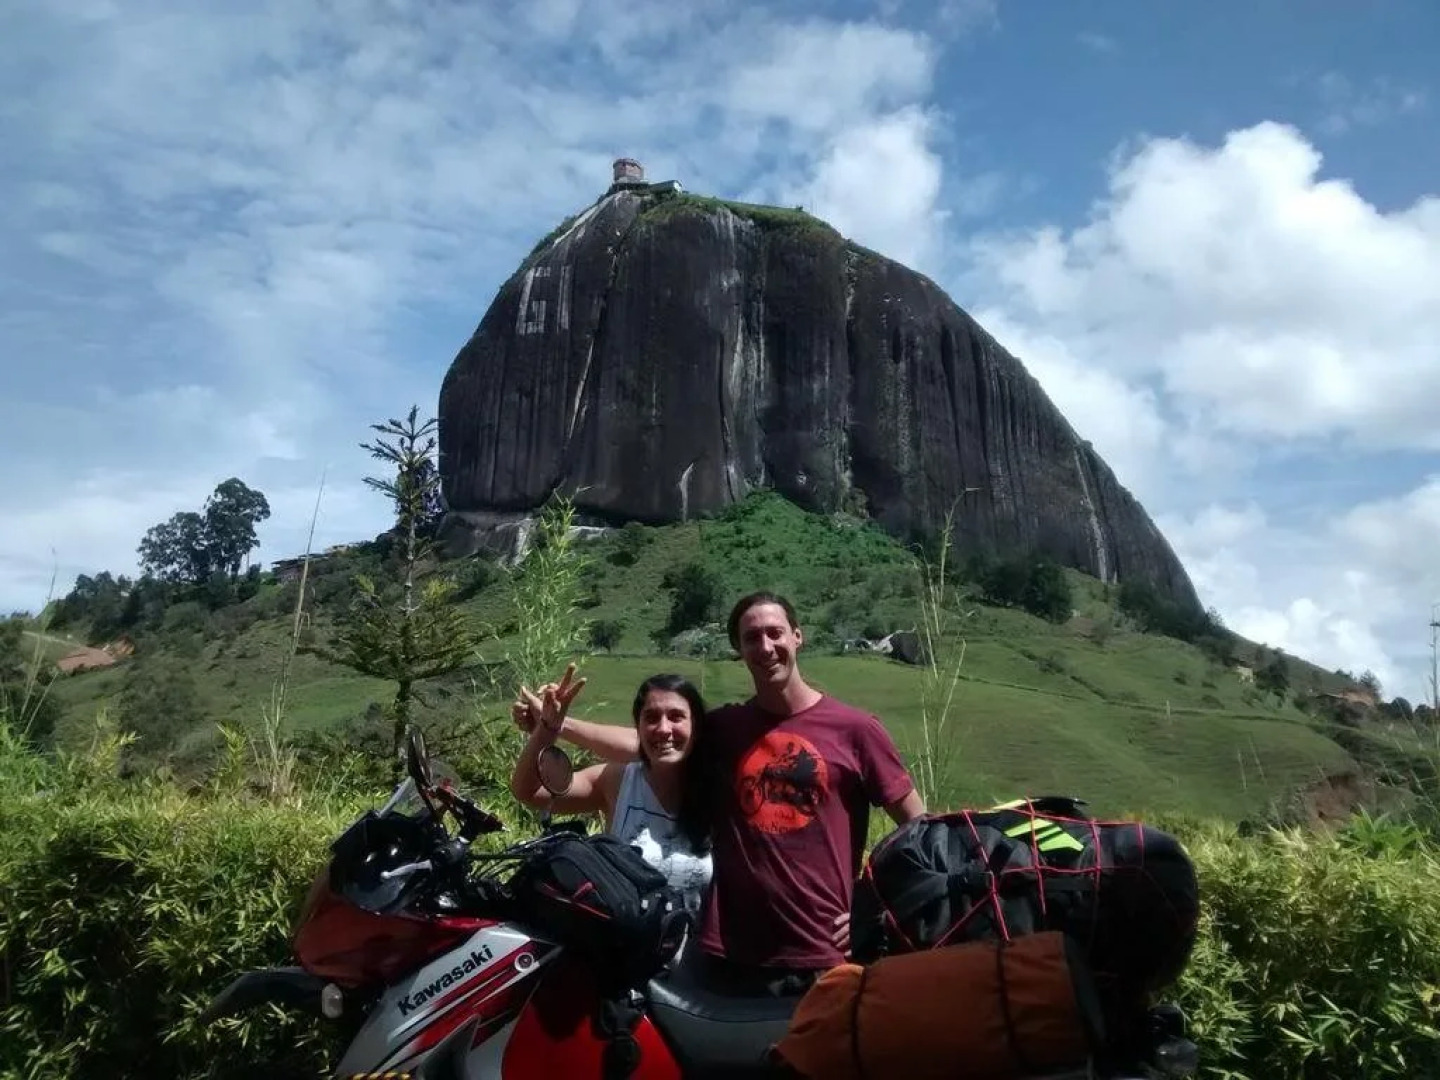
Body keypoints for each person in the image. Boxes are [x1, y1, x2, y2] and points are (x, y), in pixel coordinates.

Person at [527, 591, 926, 996]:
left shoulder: (855, 730)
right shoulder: (726, 729)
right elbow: (649, 742)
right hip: (731, 958)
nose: (766, 647)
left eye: (776, 633)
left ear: (798, 637)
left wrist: (875, 902)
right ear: (739, 649)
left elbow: (920, 830)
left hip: (826, 955)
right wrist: (558, 725)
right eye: (752, 637)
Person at [509, 666, 714, 922]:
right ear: (638, 726)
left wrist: (566, 726)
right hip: (623, 957)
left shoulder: (717, 787)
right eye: (650, 717)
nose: (663, 728)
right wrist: (548, 727)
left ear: (697, 727)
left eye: (676, 717)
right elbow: (528, 792)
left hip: (697, 960)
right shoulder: (617, 781)